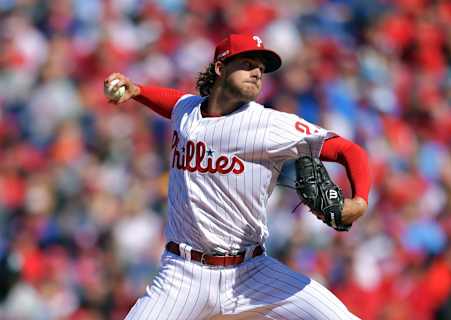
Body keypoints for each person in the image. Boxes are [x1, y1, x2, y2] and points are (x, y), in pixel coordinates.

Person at [104, 34, 371, 320]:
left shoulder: (267, 125)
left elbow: (349, 150)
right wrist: (138, 91)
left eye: (261, 68)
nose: (257, 72)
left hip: (252, 273)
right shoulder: (188, 111)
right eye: (247, 64)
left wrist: (359, 201)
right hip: (183, 275)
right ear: (220, 68)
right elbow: (175, 103)